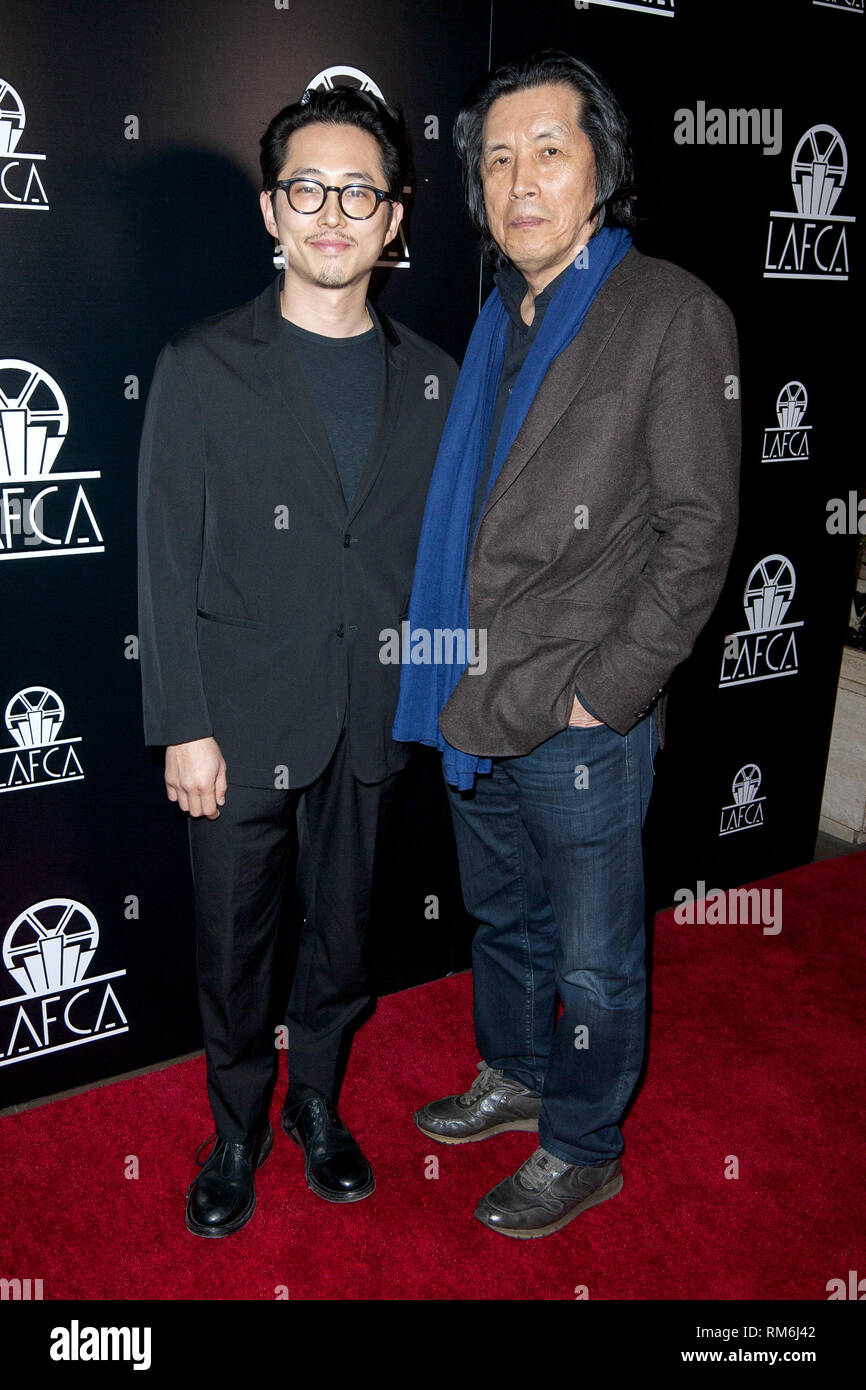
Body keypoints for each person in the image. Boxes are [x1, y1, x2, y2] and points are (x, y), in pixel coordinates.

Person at [396, 50, 741, 1239]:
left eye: (546, 148)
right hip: (468, 692)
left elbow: (697, 532)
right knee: (505, 921)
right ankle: (517, 1074)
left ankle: (583, 1141)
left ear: (600, 169)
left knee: (592, 960)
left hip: (581, 708)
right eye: (495, 157)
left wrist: (612, 690)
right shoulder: (499, 316)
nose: (518, 177)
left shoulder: (671, 312)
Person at [137, 86, 457, 1237]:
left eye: (357, 190)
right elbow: (164, 559)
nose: (332, 212)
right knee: (232, 949)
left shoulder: (435, 381)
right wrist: (182, 721)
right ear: (273, 211)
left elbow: (442, 564)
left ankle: (316, 1103)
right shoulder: (201, 365)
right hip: (234, 720)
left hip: (370, 718)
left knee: (343, 936)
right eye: (307, 190)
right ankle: (234, 1128)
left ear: (394, 216)